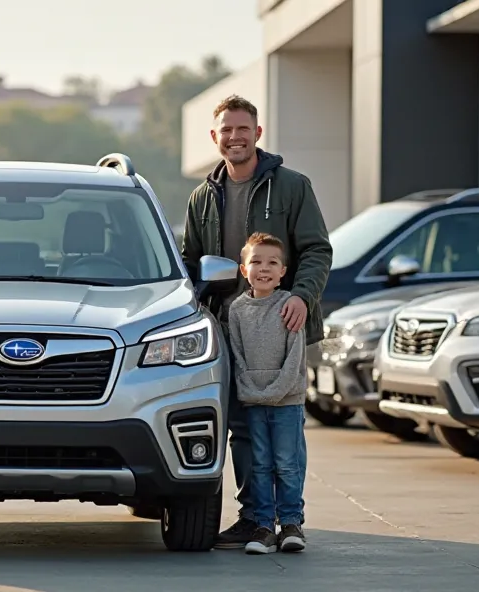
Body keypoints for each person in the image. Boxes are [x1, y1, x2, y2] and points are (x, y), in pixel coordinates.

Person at [179, 94, 331, 550]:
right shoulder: (202, 195)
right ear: (214, 137)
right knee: (239, 428)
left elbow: (317, 250)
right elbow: (188, 262)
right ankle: (255, 519)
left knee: (283, 431)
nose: (234, 137)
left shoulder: (291, 186)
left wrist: (302, 297)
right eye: (226, 129)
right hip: (224, 330)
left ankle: (288, 520)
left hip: (280, 324)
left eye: (243, 129)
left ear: (258, 134)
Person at [228, 232, 308, 554]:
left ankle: (291, 524)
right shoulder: (237, 310)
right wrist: (252, 391)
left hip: (286, 400)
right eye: (256, 261)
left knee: (287, 463)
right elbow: (237, 355)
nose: (264, 268)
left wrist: (275, 391)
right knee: (259, 463)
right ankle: (263, 527)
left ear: (283, 271)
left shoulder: (289, 304)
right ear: (244, 270)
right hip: (254, 401)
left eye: (272, 262)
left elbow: (295, 357)